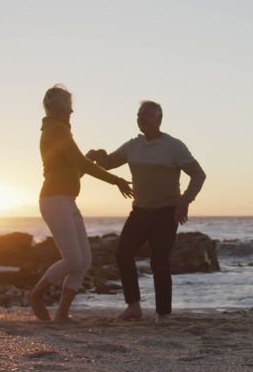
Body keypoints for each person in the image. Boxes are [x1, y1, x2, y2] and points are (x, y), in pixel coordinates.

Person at [87, 100, 206, 321]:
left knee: (159, 262)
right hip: (140, 212)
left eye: (146, 115)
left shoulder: (174, 146)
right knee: (123, 255)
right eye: (139, 114)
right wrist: (99, 154)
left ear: (159, 119)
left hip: (166, 213)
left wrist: (185, 201)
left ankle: (163, 315)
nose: (141, 118)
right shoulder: (133, 146)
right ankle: (134, 307)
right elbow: (108, 163)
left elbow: (198, 174)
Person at [29, 85, 133, 322]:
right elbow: (82, 166)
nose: (72, 111)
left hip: (66, 200)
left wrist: (89, 158)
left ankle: (62, 314)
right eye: (69, 106)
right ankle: (35, 295)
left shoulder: (59, 130)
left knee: (84, 261)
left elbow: (75, 172)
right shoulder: (57, 131)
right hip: (54, 201)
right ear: (59, 107)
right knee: (73, 259)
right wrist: (115, 179)